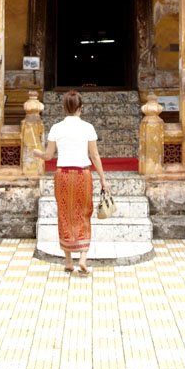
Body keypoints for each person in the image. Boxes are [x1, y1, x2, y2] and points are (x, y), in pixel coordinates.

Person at [34, 90, 111, 275]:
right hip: (82, 174)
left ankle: (68, 261)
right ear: (80, 108)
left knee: (65, 214)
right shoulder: (88, 127)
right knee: (84, 213)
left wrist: (37, 153)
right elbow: (94, 155)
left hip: (63, 175)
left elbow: (48, 156)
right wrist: (103, 178)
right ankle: (83, 259)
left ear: (64, 108)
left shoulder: (56, 128)